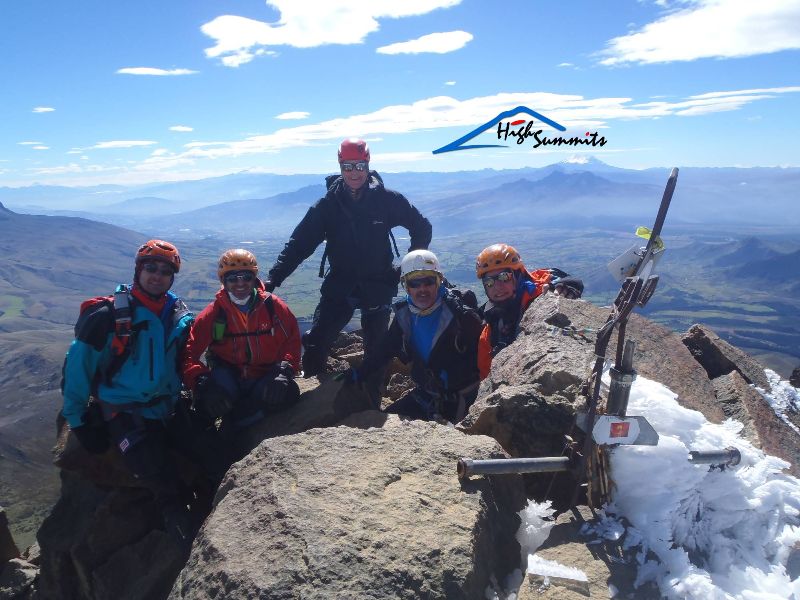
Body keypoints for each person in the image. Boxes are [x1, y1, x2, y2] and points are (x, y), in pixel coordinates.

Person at [61, 239, 212, 546]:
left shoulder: (177, 315)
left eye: (165, 271)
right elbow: (78, 369)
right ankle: (176, 518)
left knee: (212, 452)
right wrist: (76, 420)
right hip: (125, 410)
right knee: (155, 468)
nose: (157, 276)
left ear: (172, 278)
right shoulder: (109, 317)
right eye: (151, 268)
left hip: (168, 405)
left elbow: (186, 358)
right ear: (138, 271)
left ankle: (213, 501)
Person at [264, 138, 432, 380]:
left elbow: (422, 227)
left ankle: (370, 404)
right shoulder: (327, 205)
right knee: (316, 342)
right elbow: (299, 245)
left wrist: (407, 268)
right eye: (348, 166)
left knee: (376, 351)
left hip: (378, 282)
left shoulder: (386, 200)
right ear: (340, 166)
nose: (354, 172)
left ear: (367, 165)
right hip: (341, 283)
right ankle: (314, 402)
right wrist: (273, 279)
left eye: (359, 166)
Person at [182, 249, 301, 460]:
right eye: (232, 278)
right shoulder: (214, 313)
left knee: (288, 392)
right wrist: (200, 380)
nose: (240, 283)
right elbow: (189, 353)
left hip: (264, 375)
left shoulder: (274, 307)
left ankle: (234, 423)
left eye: (246, 276)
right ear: (223, 280)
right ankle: (209, 451)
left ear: (254, 278)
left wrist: (285, 369)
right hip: (228, 375)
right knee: (205, 404)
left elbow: (292, 341)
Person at [343, 250, 483, 423]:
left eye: (428, 281)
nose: (422, 289)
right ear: (406, 286)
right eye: (415, 282)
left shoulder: (458, 311)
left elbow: (484, 345)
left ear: (438, 282)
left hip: (462, 400)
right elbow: (383, 352)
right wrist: (358, 373)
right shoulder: (404, 316)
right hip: (427, 396)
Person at [476, 243, 584, 380]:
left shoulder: (538, 291)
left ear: (518, 275)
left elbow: (556, 278)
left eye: (504, 277)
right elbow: (485, 377)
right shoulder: (490, 331)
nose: (497, 287)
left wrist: (565, 286)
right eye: (489, 282)